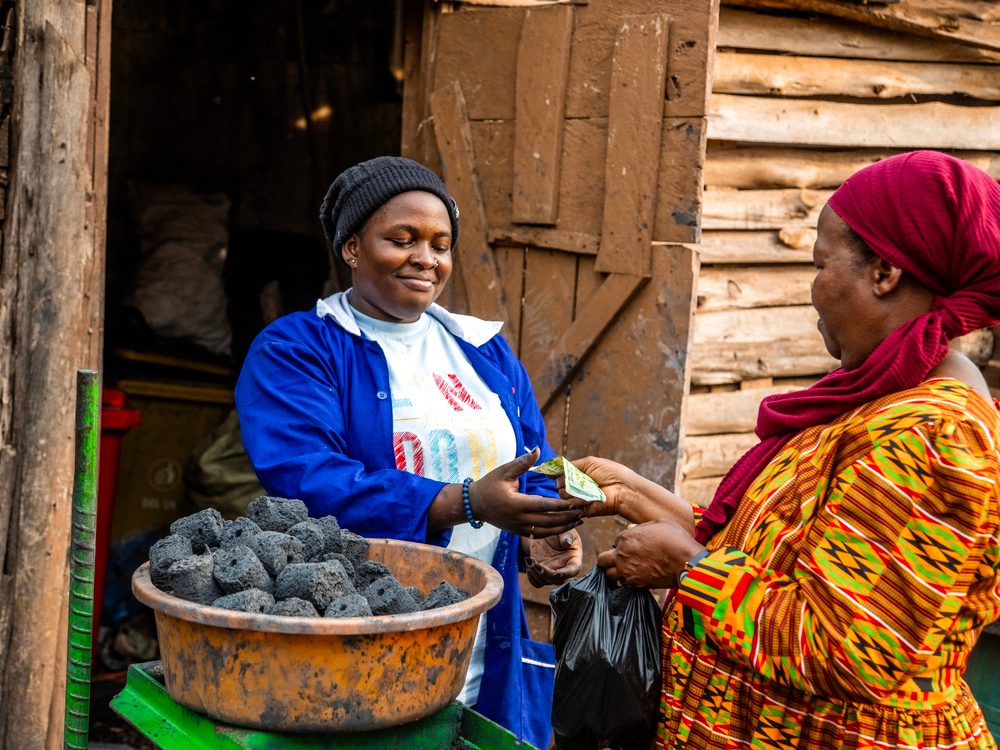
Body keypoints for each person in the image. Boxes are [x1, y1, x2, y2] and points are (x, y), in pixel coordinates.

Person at [564, 151, 1000, 749]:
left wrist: (686, 568)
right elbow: (792, 561)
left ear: (884, 272)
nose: (812, 292)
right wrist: (641, 499)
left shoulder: (930, 434)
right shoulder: (880, 396)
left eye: (821, 266)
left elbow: (851, 651)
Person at [235, 156, 584, 748]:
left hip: (482, 631)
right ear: (351, 248)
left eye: (441, 244)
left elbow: (536, 458)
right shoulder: (298, 349)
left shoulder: (484, 351)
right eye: (403, 239)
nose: (427, 258)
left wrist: (543, 526)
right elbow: (308, 477)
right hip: (356, 625)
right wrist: (463, 502)